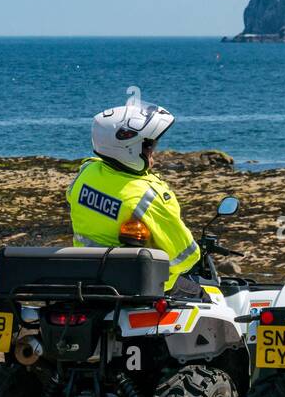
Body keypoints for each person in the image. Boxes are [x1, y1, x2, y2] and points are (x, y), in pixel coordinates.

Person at [66, 102, 202, 297]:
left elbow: (73, 197)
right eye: (149, 144)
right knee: (208, 298)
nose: (153, 149)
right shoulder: (149, 197)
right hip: (140, 287)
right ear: (130, 149)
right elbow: (185, 257)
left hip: (86, 277)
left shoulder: (86, 173)